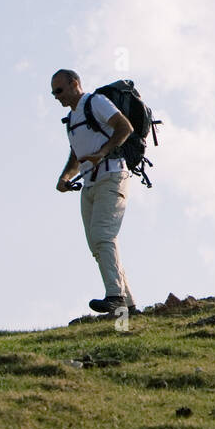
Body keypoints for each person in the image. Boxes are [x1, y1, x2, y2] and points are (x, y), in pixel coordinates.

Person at [52, 69, 137, 314]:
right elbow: (75, 155)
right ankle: (128, 305)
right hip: (88, 185)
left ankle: (115, 296)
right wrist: (64, 177)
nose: (56, 96)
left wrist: (103, 152)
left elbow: (125, 127)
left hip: (112, 177)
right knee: (98, 245)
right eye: (53, 93)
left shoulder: (96, 102)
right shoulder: (71, 120)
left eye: (59, 90)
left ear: (74, 83)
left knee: (103, 235)